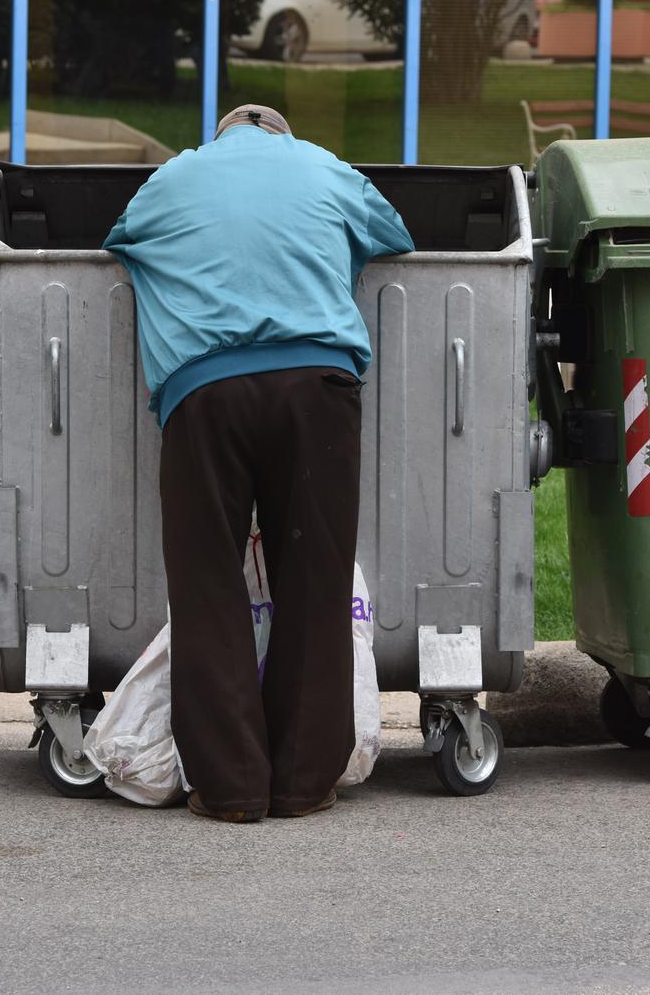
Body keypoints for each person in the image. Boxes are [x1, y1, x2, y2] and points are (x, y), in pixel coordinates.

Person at [104, 105, 413, 823]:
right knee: (315, 580)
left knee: (207, 582)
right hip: (318, 387)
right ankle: (305, 782)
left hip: (204, 393)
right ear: (283, 135)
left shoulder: (174, 175)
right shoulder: (324, 168)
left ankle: (231, 786)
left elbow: (122, 240)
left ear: (219, 137)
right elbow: (394, 233)